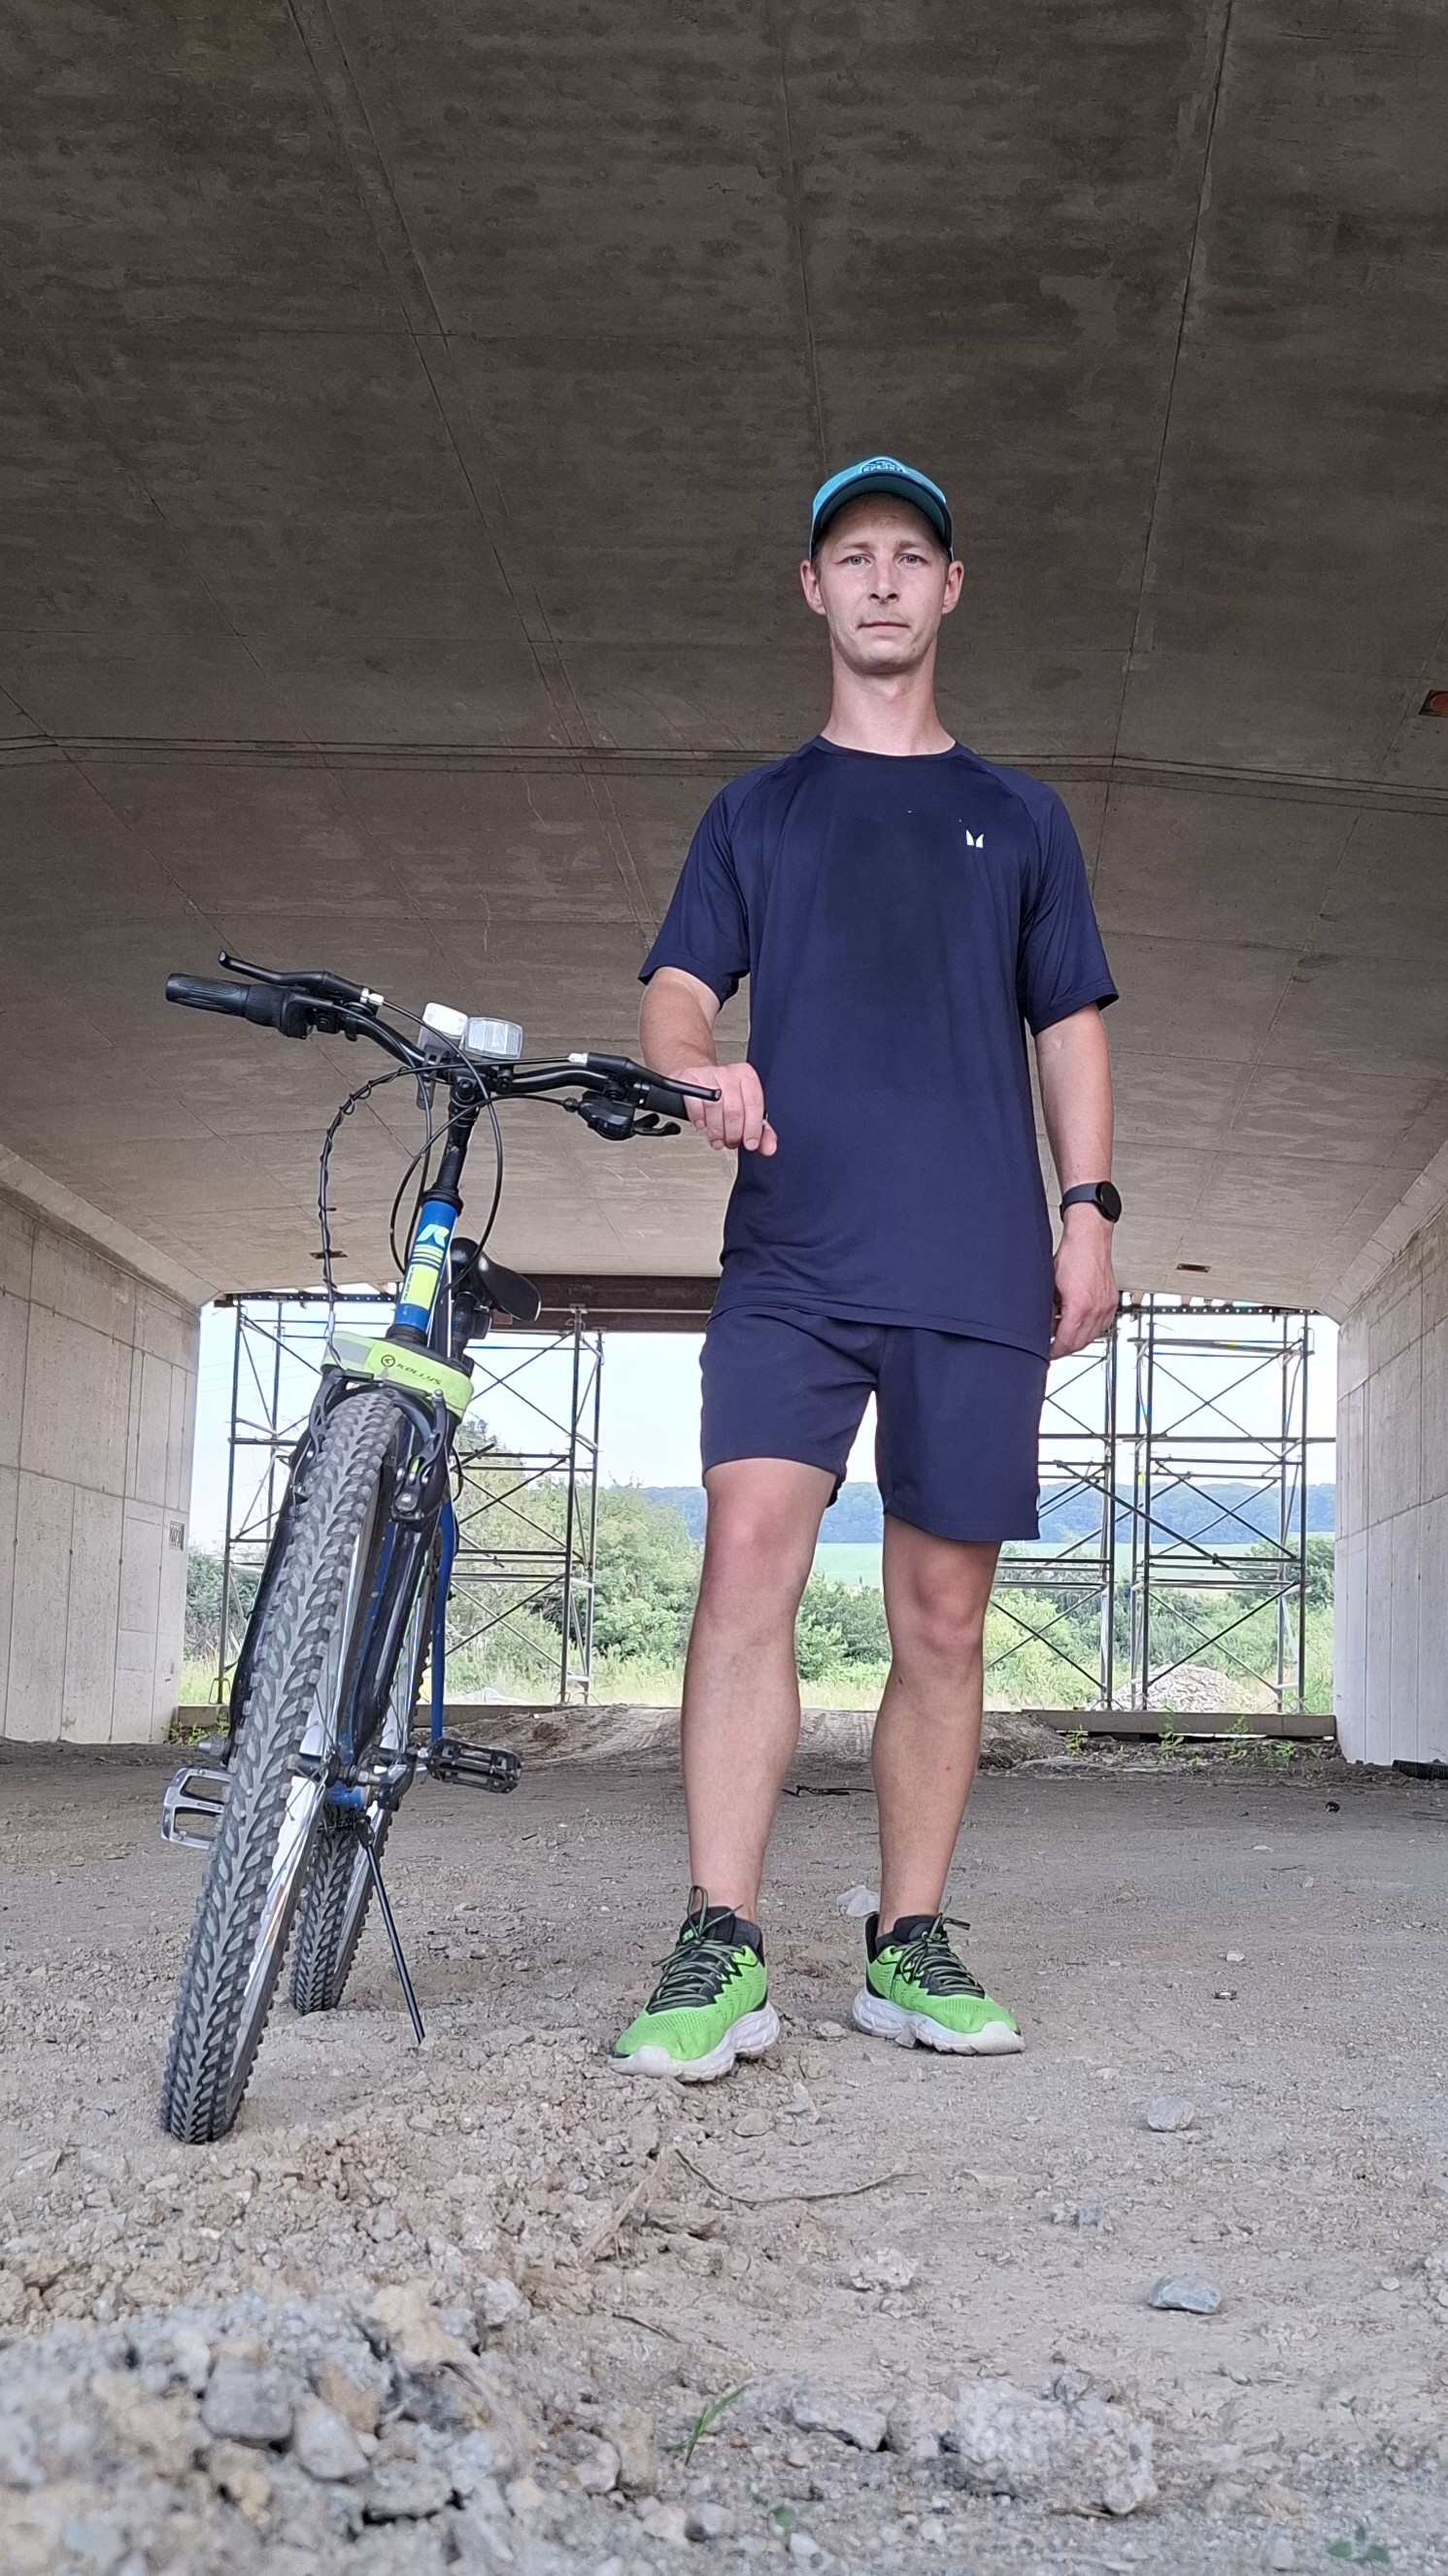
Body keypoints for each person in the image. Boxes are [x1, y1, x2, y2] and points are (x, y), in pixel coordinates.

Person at [612, 456, 1120, 2082]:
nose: (884, 579)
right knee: (745, 1559)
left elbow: (1070, 1024)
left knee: (942, 1616)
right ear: (813, 589)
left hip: (974, 1258)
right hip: (795, 1254)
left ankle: (910, 1941)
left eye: (912, 555)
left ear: (950, 588)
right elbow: (678, 990)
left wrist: (1091, 1207)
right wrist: (696, 1067)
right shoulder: (756, 812)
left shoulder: (1022, 817)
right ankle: (721, 1940)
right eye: (854, 556)